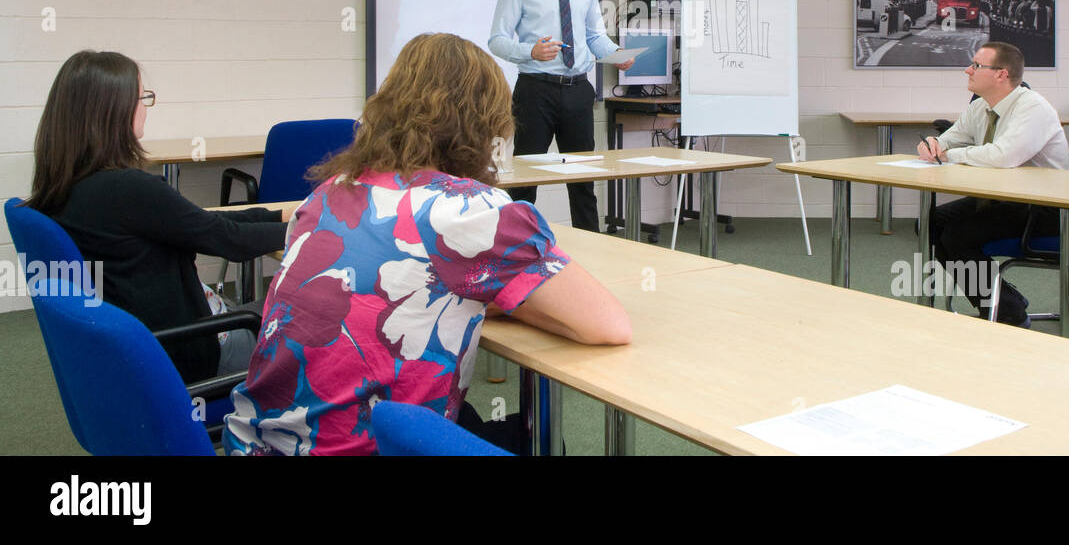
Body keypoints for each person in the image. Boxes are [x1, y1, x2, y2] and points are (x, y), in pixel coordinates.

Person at [223, 33, 631, 456]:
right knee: (538, 437)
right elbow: (607, 325)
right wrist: (504, 301)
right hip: (366, 447)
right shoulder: (474, 210)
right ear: (486, 123)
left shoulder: (329, 192)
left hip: (258, 443)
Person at [27, 50, 289, 383]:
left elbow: (203, 224)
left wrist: (282, 213)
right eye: (142, 97)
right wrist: (311, 227)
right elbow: (228, 241)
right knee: (314, 313)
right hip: (193, 350)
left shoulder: (63, 188)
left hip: (142, 349)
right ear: (115, 110)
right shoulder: (128, 189)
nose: (145, 108)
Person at [488, 0, 632, 231]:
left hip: (579, 91)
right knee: (525, 178)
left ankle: (592, 246)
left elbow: (595, 37)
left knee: (582, 178)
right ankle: (516, 244)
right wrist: (530, 51)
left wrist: (616, 55)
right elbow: (497, 40)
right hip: (535, 92)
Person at [917, 42, 1069, 326]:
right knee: (934, 221)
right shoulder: (981, 107)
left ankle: (1007, 312)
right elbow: (950, 139)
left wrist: (948, 155)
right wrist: (932, 144)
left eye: (976, 65)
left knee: (958, 235)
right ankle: (1005, 301)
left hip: (1051, 207)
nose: (968, 70)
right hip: (1007, 200)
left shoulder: (1033, 107)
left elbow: (1004, 156)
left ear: (1001, 75)